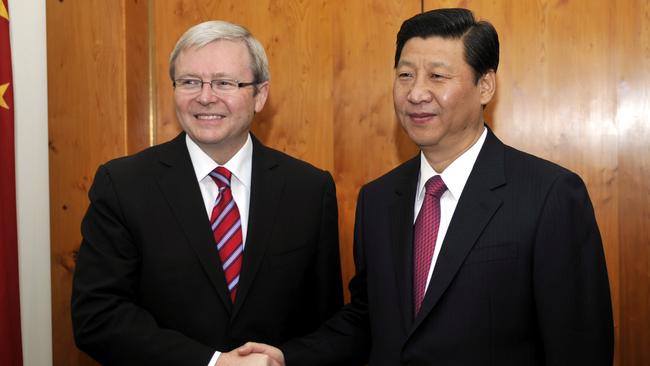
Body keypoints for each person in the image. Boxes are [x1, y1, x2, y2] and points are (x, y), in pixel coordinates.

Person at [239, 8, 614, 365]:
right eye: (405, 76)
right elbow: (368, 320)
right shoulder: (378, 199)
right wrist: (286, 357)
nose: (416, 93)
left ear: (485, 85)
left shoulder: (549, 195)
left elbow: (579, 346)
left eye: (437, 76)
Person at [71, 20, 344, 366]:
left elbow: (327, 325)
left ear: (259, 95)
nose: (204, 97)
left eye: (224, 82)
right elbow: (98, 316)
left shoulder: (309, 189)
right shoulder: (122, 185)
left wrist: (286, 359)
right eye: (189, 82)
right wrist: (214, 362)